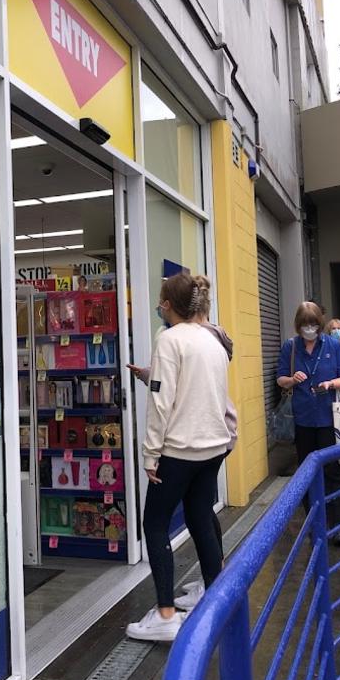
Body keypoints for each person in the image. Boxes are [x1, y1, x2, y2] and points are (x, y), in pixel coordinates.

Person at [125, 273, 234, 641]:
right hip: (213, 447)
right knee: (200, 516)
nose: (158, 305)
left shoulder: (170, 341)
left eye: (160, 300)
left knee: (154, 524)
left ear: (168, 304)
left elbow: (161, 402)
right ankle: (216, 601)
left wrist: (150, 454)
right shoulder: (213, 341)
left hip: (178, 450)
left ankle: (166, 615)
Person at [277, 303, 340, 545]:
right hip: (304, 419)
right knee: (307, 470)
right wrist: (291, 379)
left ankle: (339, 524)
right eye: (304, 325)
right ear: (298, 326)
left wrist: (332, 384)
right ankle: (313, 522)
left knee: (335, 469)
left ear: (320, 325)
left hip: (331, 417)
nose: (309, 330)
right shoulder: (290, 347)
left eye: (313, 325)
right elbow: (280, 379)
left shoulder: (332, 345)